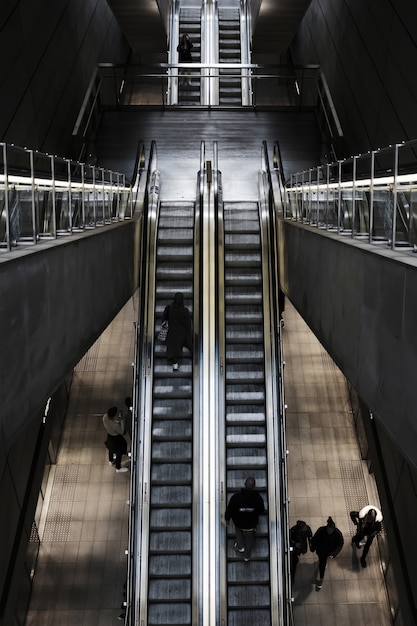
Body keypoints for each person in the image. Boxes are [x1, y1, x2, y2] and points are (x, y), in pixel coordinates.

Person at [225, 477, 266, 562]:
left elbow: (230, 509)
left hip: (239, 523)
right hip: (251, 525)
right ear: (254, 486)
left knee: (238, 533)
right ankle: (246, 556)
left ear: (244, 484)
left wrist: (227, 519)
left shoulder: (236, 497)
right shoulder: (258, 498)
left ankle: (241, 547)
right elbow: (262, 510)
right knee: (249, 539)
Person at [310, 516, 344, 590]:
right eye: (328, 530)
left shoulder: (337, 533)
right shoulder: (321, 530)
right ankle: (322, 571)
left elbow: (340, 543)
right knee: (322, 563)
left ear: (333, 529)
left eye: (331, 530)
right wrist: (313, 547)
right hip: (321, 551)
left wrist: (334, 553)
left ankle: (321, 580)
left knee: (322, 565)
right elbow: (315, 539)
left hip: (329, 552)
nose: (329, 532)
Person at [163, 292, 192, 371]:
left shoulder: (169, 308)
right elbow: (188, 326)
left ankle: (175, 364)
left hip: (171, 333)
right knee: (181, 343)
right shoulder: (185, 311)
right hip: (181, 335)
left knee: (173, 345)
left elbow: (164, 320)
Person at [102, 406, 128, 472]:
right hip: (116, 438)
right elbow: (122, 432)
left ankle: (111, 460)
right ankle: (118, 467)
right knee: (119, 452)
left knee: (110, 448)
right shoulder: (115, 425)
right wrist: (121, 420)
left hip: (110, 435)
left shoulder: (105, 417)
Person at [290, 519, 312, 584]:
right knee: (294, 557)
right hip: (296, 547)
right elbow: (289, 539)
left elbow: (310, 535)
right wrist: (294, 544)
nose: (306, 528)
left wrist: (310, 543)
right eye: (304, 527)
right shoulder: (293, 530)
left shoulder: (307, 529)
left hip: (301, 545)